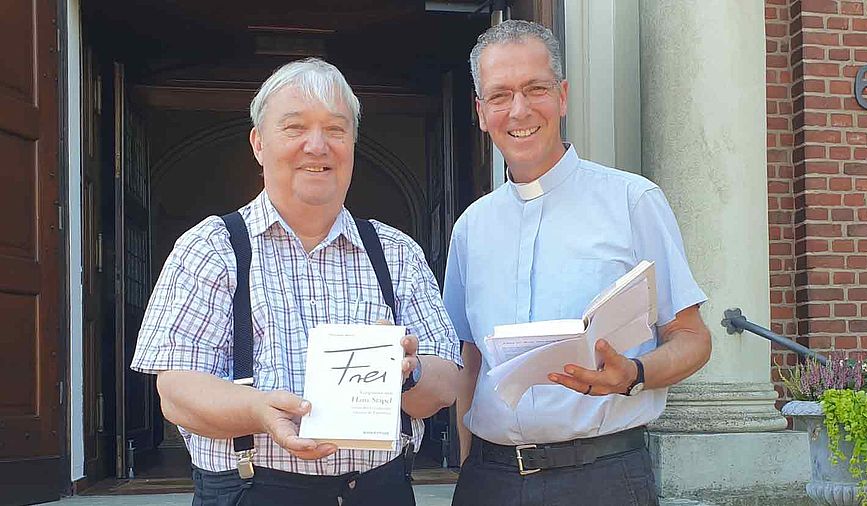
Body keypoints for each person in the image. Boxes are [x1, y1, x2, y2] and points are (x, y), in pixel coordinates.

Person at [131, 58, 461, 506]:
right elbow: (176, 393)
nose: (317, 145)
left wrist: (410, 372)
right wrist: (258, 412)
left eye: (336, 129)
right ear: (259, 143)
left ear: (353, 144)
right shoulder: (210, 247)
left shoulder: (396, 252)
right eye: (294, 128)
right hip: (251, 490)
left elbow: (444, 386)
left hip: (380, 490)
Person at [443, 20, 712, 506]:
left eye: (536, 89)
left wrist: (633, 373)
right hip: (489, 480)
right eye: (501, 95)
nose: (519, 110)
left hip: (600, 478)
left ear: (562, 96)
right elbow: (469, 361)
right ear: (482, 113)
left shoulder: (633, 202)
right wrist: (468, 466)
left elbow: (692, 338)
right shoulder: (471, 228)